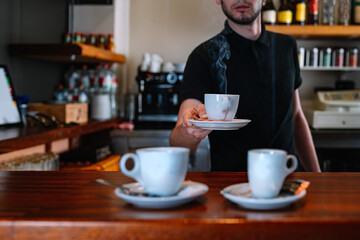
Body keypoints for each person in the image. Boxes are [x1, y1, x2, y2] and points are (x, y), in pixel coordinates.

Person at [169, 0, 321, 172]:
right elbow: (179, 144)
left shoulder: (287, 46)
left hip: (288, 179)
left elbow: (296, 116)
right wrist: (191, 128)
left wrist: (319, 177)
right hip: (229, 185)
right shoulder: (202, 57)